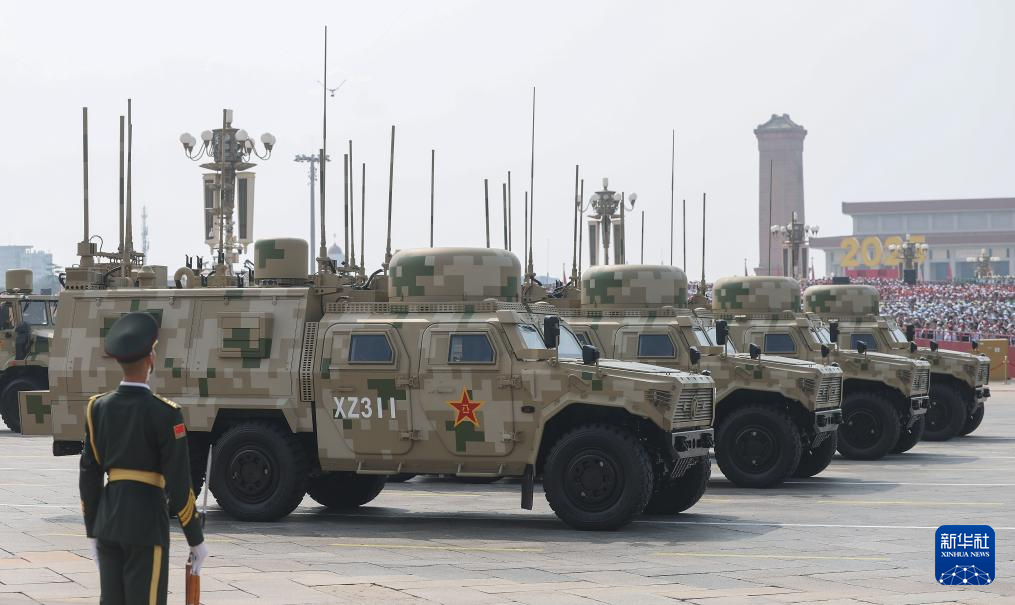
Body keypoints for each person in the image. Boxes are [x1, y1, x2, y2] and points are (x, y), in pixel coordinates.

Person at [79, 312, 208, 605]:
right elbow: (179, 483)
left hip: (108, 523)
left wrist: (93, 531)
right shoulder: (166, 413)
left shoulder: (97, 408)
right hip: (146, 523)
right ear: (151, 357)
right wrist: (195, 538)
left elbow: (88, 474)